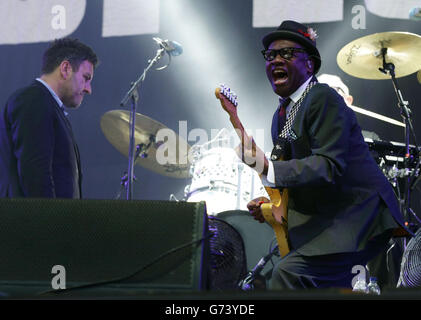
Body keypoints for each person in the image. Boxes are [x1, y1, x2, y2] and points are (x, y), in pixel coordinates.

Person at [223, 20, 409, 289]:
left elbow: (328, 166)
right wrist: (271, 202)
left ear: (309, 64)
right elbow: (295, 173)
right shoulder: (281, 115)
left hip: (356, 219)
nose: (276, 59)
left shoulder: (323, 97)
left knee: (289, 275)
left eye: (287, 53)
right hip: (328, 222)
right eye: (271, 55)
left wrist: (267, 167)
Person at [0, 38, 99, 198]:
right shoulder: (34, 100)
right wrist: (50, 221)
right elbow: (35, 173)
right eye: (86, 78)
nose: (88, 89)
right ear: (66, 68)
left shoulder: (47, 105)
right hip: (36, 221)